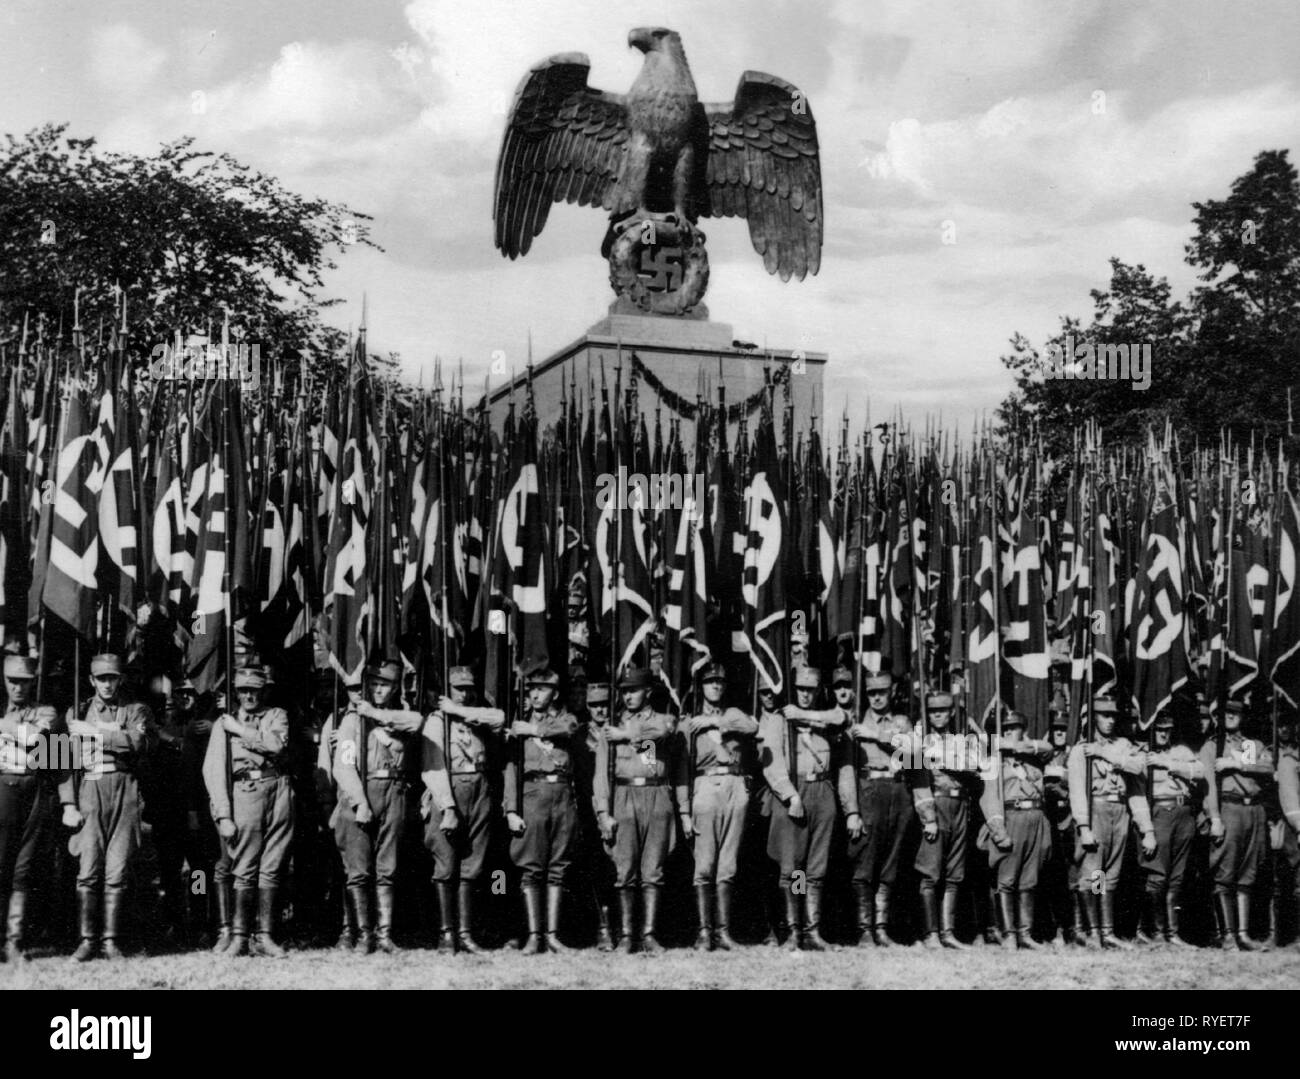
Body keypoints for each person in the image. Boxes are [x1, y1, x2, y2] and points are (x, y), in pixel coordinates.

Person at [65, 653, 157, 961]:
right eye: (101, 678)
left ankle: (110, 940)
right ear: (91, 680)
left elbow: (139, 742)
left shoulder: (135, 710)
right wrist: (68, 802)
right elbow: (60, 760)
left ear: (120, 679)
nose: (107, 684)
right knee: (88, 866)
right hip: (90, 789)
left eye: (112, 678)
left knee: (118, 868)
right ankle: (87, 940)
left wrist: (94, 734)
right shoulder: (76, 711)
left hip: (125, 790)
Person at [759, 666, 857, 951]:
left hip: (822, 792)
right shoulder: (779, 721)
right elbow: (771, 762)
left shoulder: (824, 717)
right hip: (794, 793)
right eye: (800, 689)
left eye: (810, 690)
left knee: (816, 865)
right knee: (794, 865)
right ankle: (794, 929)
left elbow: (843, 716)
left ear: (817, 691)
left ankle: (812, 930)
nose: (805, 694)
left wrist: (802, 715)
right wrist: (789, 795)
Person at [333, 659, 423, 955]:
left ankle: (385, 935)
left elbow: (416, 723)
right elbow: (343, 767)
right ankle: (363, 934)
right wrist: (360, 802)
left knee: (388, 867)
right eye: (373, 684)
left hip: (394, 791)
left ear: (396, 687)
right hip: (361, 791)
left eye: (384, 684)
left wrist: (375, 715)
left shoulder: (402, 716)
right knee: (358, 869)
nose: (377, 689)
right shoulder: (351, 720)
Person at [202, 665, 293, 958]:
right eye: (243, 690)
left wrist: (241, 730)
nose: (249, 696)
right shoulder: (221, 725)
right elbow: (214, 771)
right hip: (245, 794)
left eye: (255, 690)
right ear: (236, 692)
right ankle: (239, 936)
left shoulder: (276, 715)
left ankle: (264, 935)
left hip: (277, 788)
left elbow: (276, 746)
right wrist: (224, 815)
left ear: (263, 690)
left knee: (273, 865)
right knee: (244, 866)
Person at [594, 666, 681, 953]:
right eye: (624, 692)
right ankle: (627, 935)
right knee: (624, 869)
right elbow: (601, 776)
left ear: (648, 692)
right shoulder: (612, 727)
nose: (628, 696)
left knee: (653, 869)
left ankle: (649, 934)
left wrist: (628, 734)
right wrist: (603, 813)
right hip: (624, 794)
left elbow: (662, 734)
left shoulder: (661, 719)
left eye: (633, 690)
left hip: (656, 794)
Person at [420, 665, 503, 953]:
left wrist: (460, 710)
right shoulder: (436, 722)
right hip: (450, 787)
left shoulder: (478, 716)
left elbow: (499, 718)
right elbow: (432, 767)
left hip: (480, 788)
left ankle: (466, 933)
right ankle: (447, 933)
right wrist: (448, 807)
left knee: (474, 863)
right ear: (447, 690)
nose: (466, 694)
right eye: (459, 689)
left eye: (469, 689)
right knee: (446, 862)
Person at [676, 662, 758, 950]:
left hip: (735, 787)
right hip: (705, 788)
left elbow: (752, 726)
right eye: (710, 682)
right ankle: (703, 931)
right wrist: (684, 811)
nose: (715, 687)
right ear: (701, 687)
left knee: (728, 862)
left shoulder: (732, 715)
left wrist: (714, 723)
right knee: (705, 862)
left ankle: (723, 932)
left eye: (719, 683)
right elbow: (682, 769)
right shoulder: (689, 723)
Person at [1067, 697, 1156, 950]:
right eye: (1104, 715)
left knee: (1110, 873)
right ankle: (1093, 932)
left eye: (1113, 716)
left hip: (1120, 811)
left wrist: (1146, 827)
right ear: (1093, 718)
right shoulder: (1081, 750)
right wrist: (1083, 826)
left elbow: (1138, 769)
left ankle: (1107, 932)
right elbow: (1077, 790)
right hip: (1096, 810)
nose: (1110, 720)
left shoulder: (1123, 745)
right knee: (1095, 872)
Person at [505, 668, 579, 955]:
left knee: (558, 867)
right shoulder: (518, 725)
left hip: (562, 795)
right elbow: (510, 769)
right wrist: (511, 809)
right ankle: (534, 935)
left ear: (555, 693)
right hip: (531, 796)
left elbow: (569, 729)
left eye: (542, 689)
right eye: (531, 688)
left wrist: (533, 730)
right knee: (531, 866)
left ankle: (553, 935)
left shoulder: (564, 720)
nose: (535, 694)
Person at [0, 654, 61, 962]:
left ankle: (14, 939)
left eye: (24, 682)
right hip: (2, 790)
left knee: (23, 868)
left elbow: (39, 739)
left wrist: (6, 730)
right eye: (13, 682)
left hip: (33, 789)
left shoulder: (45, 710)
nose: (18, 689)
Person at [1200, 699, 1274, 950]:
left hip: (1252, 809)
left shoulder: (1248, 745)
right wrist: (1215, 818)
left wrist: (1237, 763)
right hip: (1228, 808)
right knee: (1225, 871)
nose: (1231, 717)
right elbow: (1208, 785)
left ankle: (1243, 934)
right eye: (1226, 713)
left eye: (1235, 713)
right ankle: (1228, 935)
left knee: (1248, 872)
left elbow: (1266, 767)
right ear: (1217, 717)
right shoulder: (1213, 746)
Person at [910, 691, 982, 949]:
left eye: (943, 710)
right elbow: (917, 777)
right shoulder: (919, 739)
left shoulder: (961, 738)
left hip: (960, 804)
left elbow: (976, 764)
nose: (937, 715)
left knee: (954, 873)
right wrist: (928, 816)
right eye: (932, 711)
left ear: (952, 712)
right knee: (930, 871)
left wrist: (939, 756)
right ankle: (930, 934)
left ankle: (948, 932)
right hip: (936, 802)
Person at [846, 671, 913, 947]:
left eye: (881, 692)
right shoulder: (856, 722)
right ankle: (865, 930)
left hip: (897, 790)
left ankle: (881, 928)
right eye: (871, 693)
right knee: (866, 858)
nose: (876, 697)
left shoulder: (901, 722)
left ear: (890, 693)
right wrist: (852, 809)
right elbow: (847, 768)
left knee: (891, 861)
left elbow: (913, 749)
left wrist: (875, 734)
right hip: (869, 790)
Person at [978, 709, 1053, 950]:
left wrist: (1019, 745)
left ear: (1024, 729)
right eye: (1005, 728)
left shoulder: (1035, 756)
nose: (1009, 732)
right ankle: (1008, 933)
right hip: (1011, 817)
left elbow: (1047, 747)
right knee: (1007, 879)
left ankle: (1025, 933)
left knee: (1029, 879)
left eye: (1014, 727)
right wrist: (998, 830)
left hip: (1036, 818)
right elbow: (989, 798)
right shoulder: (994, 761)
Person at [1140, 710, 1206, 947]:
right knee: (1156, 875)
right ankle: (1154, 932)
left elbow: (1199, 771)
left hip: (1183, 813)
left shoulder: (1181, 752)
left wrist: (1167, 763)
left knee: (1177, 877)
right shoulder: (1142, 752)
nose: (1162, 735)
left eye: (1167, 730)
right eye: (1158, 730)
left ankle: (1172, 933)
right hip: (1159, 813)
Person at [314, 677, 363, 951]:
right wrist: (326, 804)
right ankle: (347, 927)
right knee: (344, 870)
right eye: (352, 688)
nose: (357, 693)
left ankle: (378, 929)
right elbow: (325, 763)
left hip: (384, 797)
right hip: (345, 802)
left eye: (360, 687)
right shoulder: (336, 719)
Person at [1042, 705, 1085, 946]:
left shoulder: (1076, 755)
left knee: (1089, 875)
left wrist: (1064, 790)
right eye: (1056, 729)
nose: (1059, 733)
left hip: (1075, 821)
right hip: (1052, 821)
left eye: (1063, 729)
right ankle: (1059, 928)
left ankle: (1088, 925)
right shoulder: (1045, 754)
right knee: (1055, 879)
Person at [1275, 714, 1300, 950]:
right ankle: (1275, 935)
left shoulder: (1294, 754)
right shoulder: (1259, 746)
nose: (1283, 728)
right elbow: (1249, 768)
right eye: (1279, 723)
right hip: (1274, 818)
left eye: (1288, 723)